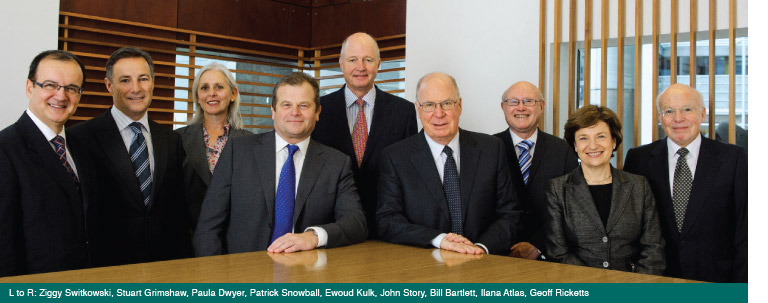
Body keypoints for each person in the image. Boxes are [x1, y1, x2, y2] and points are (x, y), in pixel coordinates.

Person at [194, 72, 367, 256]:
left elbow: (356, 222)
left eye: (304, 105)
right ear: (273, 111)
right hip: (242, 273)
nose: (295, 112)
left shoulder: (336, 163)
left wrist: (314, 236)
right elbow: (208, 228)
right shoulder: (237, 152)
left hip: (306, 276)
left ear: (317, 112)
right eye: (286, 105)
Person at [68, 47, 191, 267]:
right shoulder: (80, 138)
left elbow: (178, 210)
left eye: (143, 79)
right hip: (105, 269)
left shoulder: (170, 139)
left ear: (153, 82)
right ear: (109, 85)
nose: (136, 88)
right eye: (125, 80)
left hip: (164, 267)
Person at [377, 72, 520, 255]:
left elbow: (510, 214)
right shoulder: (395, 157)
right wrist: (439, 240)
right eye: (429, 105)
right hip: (423, 267)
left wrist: (480, 248)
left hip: (484, 263)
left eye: (447, 103)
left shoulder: (491, 149)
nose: (439, 114)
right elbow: (387, 220)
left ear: (459, 105)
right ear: (418, 109)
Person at [623, 84, 747, 282]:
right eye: (669, 111)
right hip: (657, 280)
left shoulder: (734, 158)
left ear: (702, 114)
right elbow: (629, 225)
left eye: (687, 109)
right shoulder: (639, 159)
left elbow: (745, 229)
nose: (678, 118)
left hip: (718, 280)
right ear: (660, 118)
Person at [312, 32, 418, 238]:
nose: (360, 67)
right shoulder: (319, 110)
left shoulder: (403, 111)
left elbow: (409, 171)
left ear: (379, 64)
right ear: (341, 63)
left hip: (387, 224)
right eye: (353, 60)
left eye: (368, 60)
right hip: (331, 224)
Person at [543, 105, 665, 275]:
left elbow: (653, 249)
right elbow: (558, 253)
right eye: (583, 138)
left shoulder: (638, 186)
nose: (593, 146)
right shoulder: (557, 189)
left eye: (601, 136)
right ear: (575, 145)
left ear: (614, 141)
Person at [0, 50, 90, 276]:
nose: (61, 96)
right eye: (50, 85)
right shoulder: (5, 148)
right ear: (30, 87)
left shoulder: (81, 147)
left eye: (71, 88)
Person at [494, 81, 578, 260]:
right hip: (497, 253)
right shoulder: (487, 149)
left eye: (529, 101)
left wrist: (538, 245)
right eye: (514, 102)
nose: (521, 108)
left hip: (549, 255)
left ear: (541, 106)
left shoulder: (564, 150)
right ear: (503, 107)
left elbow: (571, 207)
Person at [176, 62, 251, 233]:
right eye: (204, 88)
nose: (212, 94)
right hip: (187, 237)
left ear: (233, 94)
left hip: (234, 237)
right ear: (197, 96)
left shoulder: (250, 142)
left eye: (219, 87)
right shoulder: (177, 139)